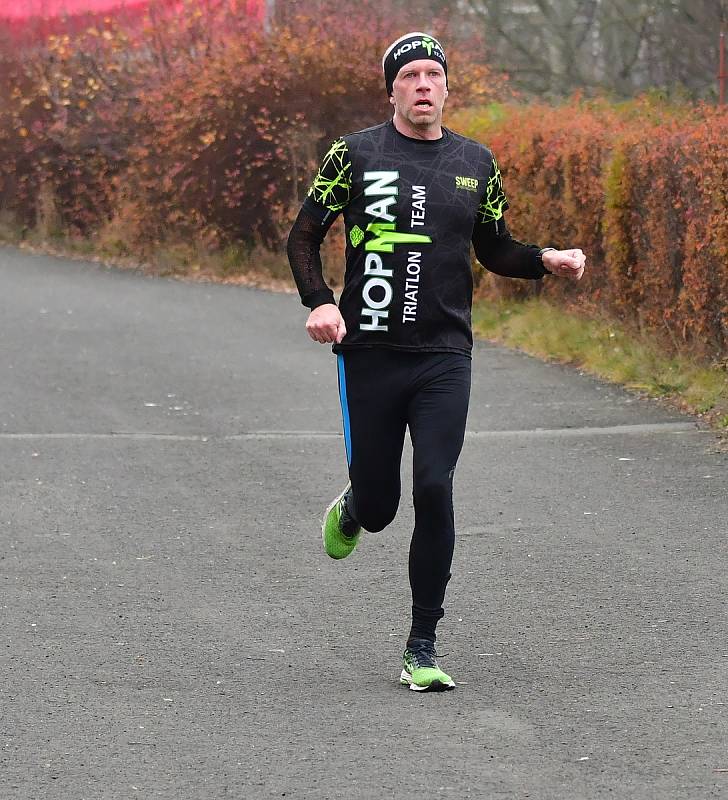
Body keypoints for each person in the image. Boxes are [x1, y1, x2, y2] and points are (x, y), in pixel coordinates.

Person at [286, 32, 585, 692]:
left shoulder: (475, 162)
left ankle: (422, 644)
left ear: (447, 88)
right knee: (383, 503)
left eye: (433, 75)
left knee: (434, 485)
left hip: (445, 353)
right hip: (368, 350)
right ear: (392, 88)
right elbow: (304, 234)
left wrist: (543, 261)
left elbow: (495, 247)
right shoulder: (356, 154)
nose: (423, 84)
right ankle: (355, 508)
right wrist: (320, 302)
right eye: (410, 75)